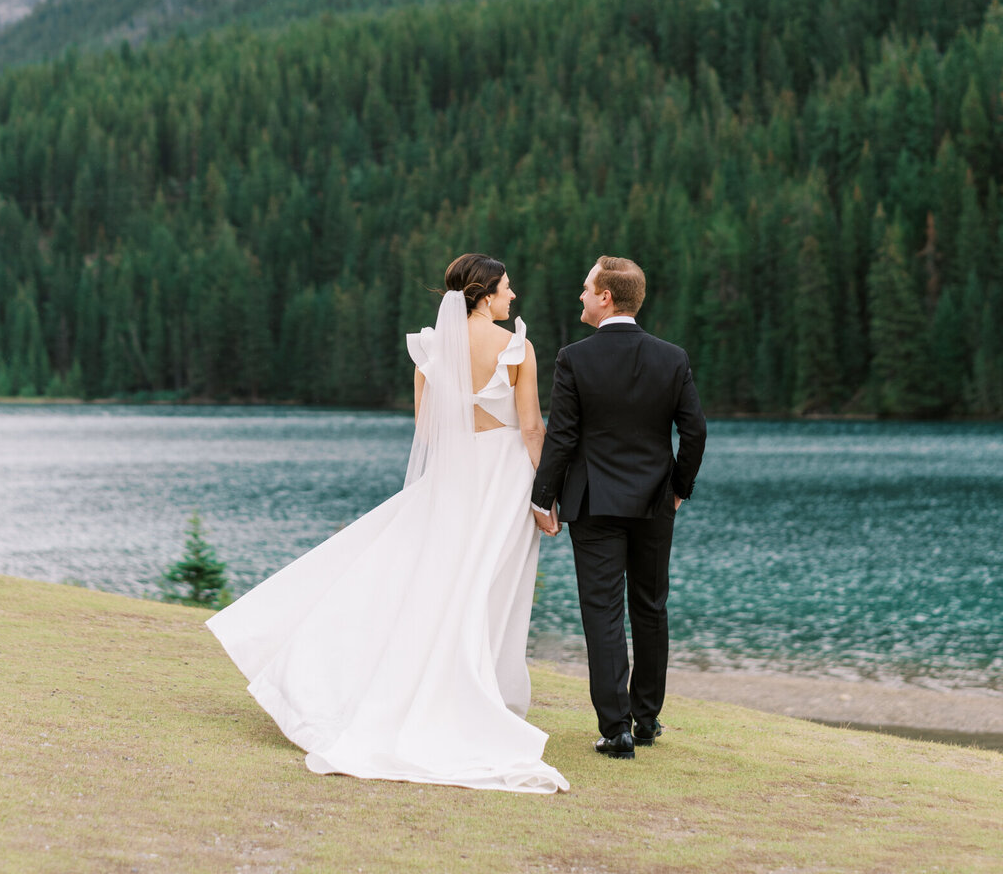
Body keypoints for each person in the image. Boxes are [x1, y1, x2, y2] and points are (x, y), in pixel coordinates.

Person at [207, 253, 569, 793]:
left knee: (429, 580)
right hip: (504, 478)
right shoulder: (515, 346)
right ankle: (479, 696)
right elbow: (534, 428)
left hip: (452, 478)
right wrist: (546, 498)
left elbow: (427, 426)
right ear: (485, 293)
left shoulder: (430, 348)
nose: (513, 297)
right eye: (507, 289)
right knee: (489, 588)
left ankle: (405, 686)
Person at [531, 256, 706, 759]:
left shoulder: (574, 358)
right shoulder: (672, 357)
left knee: (603, 611)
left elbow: (562, 436)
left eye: (587, 288)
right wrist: (679, 487)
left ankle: (617, 730)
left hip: (594, 503)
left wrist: (543, 498)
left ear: (606, 297)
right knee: (651, 607)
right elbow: (694, 431)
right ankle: (647, 720)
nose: (581, 296)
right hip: (655, 501)